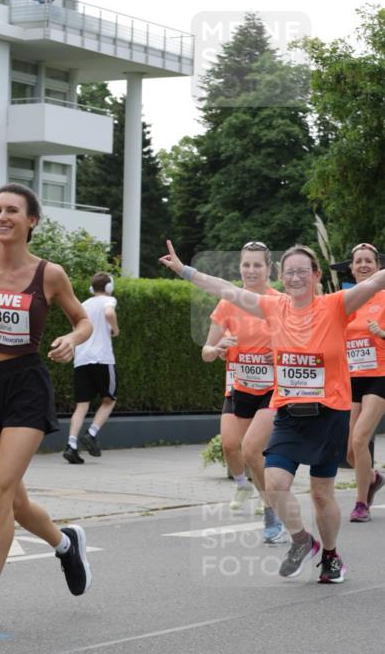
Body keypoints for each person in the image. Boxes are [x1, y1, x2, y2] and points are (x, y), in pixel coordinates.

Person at [160, 240, 385, 584]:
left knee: (321, 493)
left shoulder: (335, 305)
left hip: (329, 413)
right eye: (289, 272)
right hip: (289, 411)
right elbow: (224, 288)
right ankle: (300, 540)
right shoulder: (272, 308)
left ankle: (331, 555)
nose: (295, 278)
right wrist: (183, 270)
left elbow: (374, 282)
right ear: (282, 276)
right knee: (276, 482)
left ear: (315, 275)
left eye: (302, 272)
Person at [0, 183, 93, 629]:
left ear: (32, 222)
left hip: (26, 383)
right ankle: (65, 543)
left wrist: (72, 338)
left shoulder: (49, 274)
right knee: (16, 502)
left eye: (12, 211)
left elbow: (82, 319)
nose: (2, 217)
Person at [202, 242, 286, 542]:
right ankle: (243, 483)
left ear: (269, 269)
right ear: (239, 268)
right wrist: (218, 347)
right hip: (238, 386)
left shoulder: (279, 302)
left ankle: (271, 511)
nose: (251, 271)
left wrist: (278, 352)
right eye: (246, 265)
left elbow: (300, 345)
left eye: (257, 265)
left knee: (252, 450)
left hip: (273, 389)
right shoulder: (228, 302)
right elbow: (206, 352)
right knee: (230, 447)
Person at [344, 242, 385, 521]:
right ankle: (372, 477)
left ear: (378, 266)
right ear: (351, 267)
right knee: (349, 452)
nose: (363, 265)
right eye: (358, 261)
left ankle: (361, 505)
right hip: (350, 379)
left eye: (368, 261)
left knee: (360, 439)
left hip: (379, 376)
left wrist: (382, 333)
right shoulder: (345, 299)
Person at [63, 271, 118, 464]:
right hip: (102, 358)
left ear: (91, 288)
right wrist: (115, 329)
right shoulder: (109, 300)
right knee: (109, 400)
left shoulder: (83, 305)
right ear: (109, 287)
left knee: (82, 405)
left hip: (82, 359)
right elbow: (109, 313)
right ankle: (91, 433)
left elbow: (75, 329)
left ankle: (71, 445)